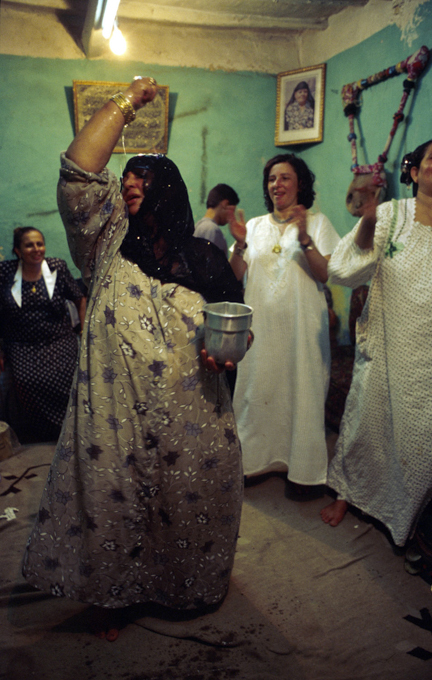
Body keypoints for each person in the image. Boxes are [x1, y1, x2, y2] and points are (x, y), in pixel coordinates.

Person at [22, 76, 244, 633]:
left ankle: (182, 589)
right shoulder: (104, 245)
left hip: (192, 421)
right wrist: (126, 102)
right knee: (112, 503)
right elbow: (76, 173)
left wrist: (228, 354)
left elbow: (238, 327)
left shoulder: (205, 259)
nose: (128, 186)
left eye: (141, 177)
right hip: (114, 415)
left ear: (167, 187)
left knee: (189, 504)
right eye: (123, 180)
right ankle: (113, 593)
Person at [321, 138, 432, 548]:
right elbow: (342, 271)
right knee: (367, 421)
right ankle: (348, 493)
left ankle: (405, 513)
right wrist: (367, 219)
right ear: (414, 172)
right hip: (391, 344)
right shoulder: (394, 215)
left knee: (429, 438)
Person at [229, 153, 340, 498]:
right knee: (257, 390)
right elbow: (234, 278)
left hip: (303, 329)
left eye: (285, 178)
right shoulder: (256, 226)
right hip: (260, 328)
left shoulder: (319, 223)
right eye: (272, 179)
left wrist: (305, 238)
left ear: (300, 183)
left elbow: (326, 275)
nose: (277, 184)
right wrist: (240, 244)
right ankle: (253, 462)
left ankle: (303, 470)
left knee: (301, 390)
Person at [0, 227, 86, 442]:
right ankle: (47, 434)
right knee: (26, 380)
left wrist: (83, 330)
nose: (36, 249)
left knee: (67, 376)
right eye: (29, 245)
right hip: (21, 344)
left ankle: (74, 430)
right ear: (18, 251)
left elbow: (79, 298)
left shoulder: (56, 267)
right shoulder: (5, 273)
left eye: (40, 244)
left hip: (59, 339)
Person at [194, 183, 240, 259]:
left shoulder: (198, 226)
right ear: (225, 204)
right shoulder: (211, 230)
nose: (233, 216)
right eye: (233, 210)